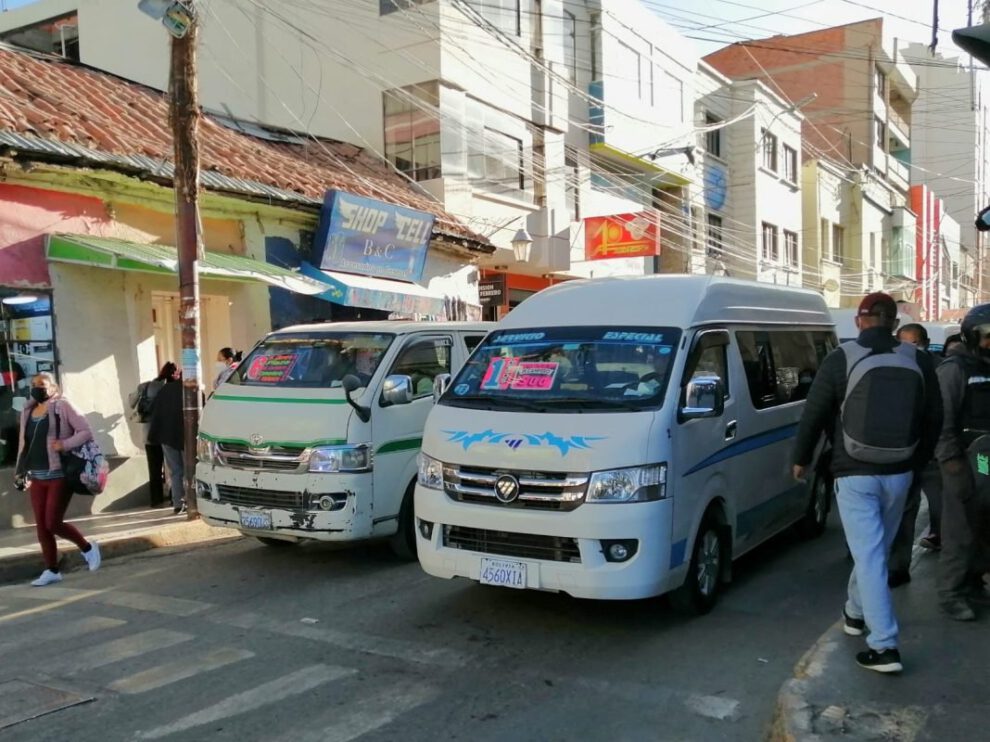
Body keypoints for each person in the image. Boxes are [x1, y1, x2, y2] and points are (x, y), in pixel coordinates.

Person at [792, 293, 941, 674]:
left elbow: (814, 412)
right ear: (893, 323)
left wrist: (801, 458)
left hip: (854, 471)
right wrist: (916, 462)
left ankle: (884, 645)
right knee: (875, 549)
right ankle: (855, 614)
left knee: (871, 554)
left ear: (860, 321)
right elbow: (934, 418)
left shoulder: (841, 358)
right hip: (900, 471)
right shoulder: (919, 360)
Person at [13, 373, 101, 586]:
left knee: (53, 522)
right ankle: (51, 570)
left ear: (53, 387)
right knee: (42, 527)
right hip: (37, 475)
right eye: (34, 385)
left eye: (41, 385)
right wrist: (19, 469)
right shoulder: (28, 410)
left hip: (59, 474)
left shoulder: (62, 406)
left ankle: (88, 548)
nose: (37, 389)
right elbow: (24, 443)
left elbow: (85, 431)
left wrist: (65, 444)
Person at [933, 304, 990, 621]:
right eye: (987, 337)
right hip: (961, 461)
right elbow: (943, 420)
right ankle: (951, 593)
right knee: (960, 530)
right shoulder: (955, 370)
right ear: (971, 336)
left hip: (986, 461)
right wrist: (951, 462)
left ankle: (973, 584)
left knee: (984, 528)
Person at [889, 324, 943, 580]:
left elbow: (938, 413)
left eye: (914, 344)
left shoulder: (939, 367)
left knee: (937, 500)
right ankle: (896, 564)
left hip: (935, 452)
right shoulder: (889, 369)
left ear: (926, 342)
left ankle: (939, 535)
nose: (909, 349)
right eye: (904, 343)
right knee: (901, 507)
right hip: (903, 451)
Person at [128, 362, 176, 507]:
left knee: (154, 469)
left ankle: (156, 500)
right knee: (173, 467)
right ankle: (175, 496)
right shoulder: (171, 387)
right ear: (174, 374)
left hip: (149, 433)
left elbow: (131, 402)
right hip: (168, 433)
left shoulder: (145, 386)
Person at [148, 371, 185, 514]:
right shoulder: (193, 390)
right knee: (189, 470)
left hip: (166, 436)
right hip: (185, 436)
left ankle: (177, 503)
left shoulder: (165, 389)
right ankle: (191, 501)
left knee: (175, 471)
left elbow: (154, 410)